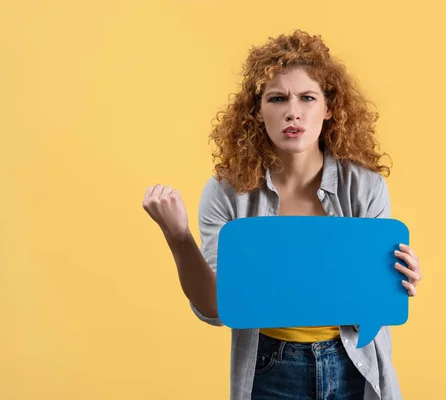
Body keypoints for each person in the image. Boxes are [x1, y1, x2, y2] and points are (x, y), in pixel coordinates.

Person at [142, 30, 423, 400]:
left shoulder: (365, 187)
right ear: (257, 112)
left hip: (354, 360)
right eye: (277, 98)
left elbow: (374, 302)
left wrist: (397, 281)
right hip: (271, 365)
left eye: (307, 97)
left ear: (329, 108)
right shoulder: (228, 192)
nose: (293, 111)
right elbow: (215, 307)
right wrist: (178, 237)